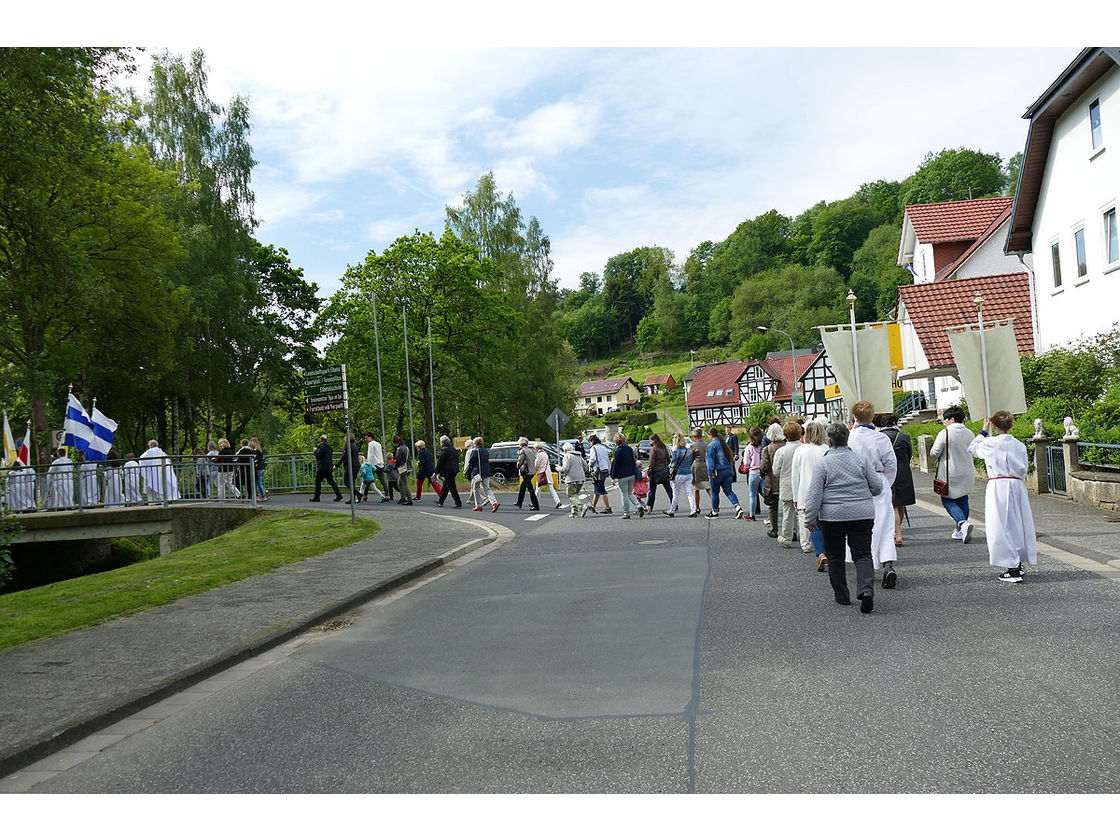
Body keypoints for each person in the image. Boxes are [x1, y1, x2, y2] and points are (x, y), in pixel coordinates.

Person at [804, 422, 884, 613]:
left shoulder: (823, 463)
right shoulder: (861, 460)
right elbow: (877, 487)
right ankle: (866, 591)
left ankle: (842, 596)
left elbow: (814, 495)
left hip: (832, 517)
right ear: (847, 439)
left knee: (835, 556)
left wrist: (809, 520)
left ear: (829, 441)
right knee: (863, 554)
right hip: (862, 514)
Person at [967, 411, 1038, 582]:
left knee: (1001, 525)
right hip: (1017, 484)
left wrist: (984, 430)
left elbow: (972, 447)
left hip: (999, 485)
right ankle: (1017, 562)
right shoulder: (1019, 445)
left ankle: (1012, 567)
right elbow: (1024, 467)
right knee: (1018, 523)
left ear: (994, 425)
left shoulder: (990, 443)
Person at [848, 401, 899, 589]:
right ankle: (888, 565)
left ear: (855, 418)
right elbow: (891, 465)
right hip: (879, 481)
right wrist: (886, 483)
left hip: (856, 484)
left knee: (860, 526)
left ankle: (864, 565)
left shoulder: (850, 437)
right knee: (885, 525)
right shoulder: (882, 438)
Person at [929, 405, 977, 543]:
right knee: (963, 499)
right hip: (967, 471)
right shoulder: (970, 433)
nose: (944, 422)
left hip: (950, 473)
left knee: (948, 500)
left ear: (951, 419)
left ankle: (962, 523)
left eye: (945, 419)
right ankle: (960, 530)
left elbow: (934, 453)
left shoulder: (945, 433)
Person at [791, 420, 829, 571]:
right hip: (826, 492)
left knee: (812, 524)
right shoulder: (827, 449)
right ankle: (829, 552)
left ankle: (820, 553)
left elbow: (795, 476)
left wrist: (795, 497)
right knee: (826, 524)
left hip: (806, 492)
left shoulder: (800, 451)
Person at [877, 414, 915, 547]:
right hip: (903, 470)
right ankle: (897, 530)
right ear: (894, 422)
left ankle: (897, 532)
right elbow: (910, 454)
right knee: (901, 503)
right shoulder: (904, 437)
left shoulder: (879, 437)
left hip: (887, 471)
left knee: (892, 504)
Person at [770, 420, 803, 545]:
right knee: (802, 513)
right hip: (802, 484)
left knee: (787, 513)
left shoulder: (781, 451)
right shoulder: (804, 448)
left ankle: (786, 538)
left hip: (786, 484)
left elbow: (776, 471)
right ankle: (805, 540)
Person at [705, 426, 745, 519]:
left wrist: (710, 473)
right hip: (728, 469)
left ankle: (715, 511)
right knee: (728, 491)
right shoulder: (723, 443)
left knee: (715, 492)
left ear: (710, 435)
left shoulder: (711, 445)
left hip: (718, 471)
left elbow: (710, 460)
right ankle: (738, 507)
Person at [609, 432, 647, 519]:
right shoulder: (629, 449)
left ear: (616, 441)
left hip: (622, 476)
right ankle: (638, 505)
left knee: (624, 495)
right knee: (630, 493)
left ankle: (626, 513)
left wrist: (613, 476)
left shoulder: (618, 451)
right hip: (631, 474)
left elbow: (615, 465)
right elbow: (634, 460)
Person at [759, 428, 786, 536]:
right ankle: (792, 530)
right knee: (788, 507)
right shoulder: (786, 446)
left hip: (772, 481)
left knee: (773, 507)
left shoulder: (767, 449)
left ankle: (774, 529)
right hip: (785, 479)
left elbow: (763, 466)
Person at [664, 431, 696, 517]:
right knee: (689, 492)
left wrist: (669, 466)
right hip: (688, 473)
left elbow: (673, 464)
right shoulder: (688, 451)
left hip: (679, 474)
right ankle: (693, 509)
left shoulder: (676, 451)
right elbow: (690, 462)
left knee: (676, 493)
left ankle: (672, 510)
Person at [466, 436, 499, 513]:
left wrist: (468, 472)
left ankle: (478, 505)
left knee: (476, 488)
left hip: (478, 472)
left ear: (475, 444)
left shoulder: (475, 451)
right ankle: (494, 502)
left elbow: (471, 462)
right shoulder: (486, 451)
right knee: (487, 488)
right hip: (486, 471)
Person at [740, 426, 763, 521]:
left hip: (753, 472)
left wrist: (750, 467)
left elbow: (746, 463)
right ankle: (771, 513)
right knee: (766, 493)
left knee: (752, 495)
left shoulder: (749, 447)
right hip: (762, 473)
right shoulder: (763, 446)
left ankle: (752, 514)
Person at [644, 433, 672, 512]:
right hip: (664, 471)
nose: (650, 442)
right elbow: (668, 459)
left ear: (653, 440)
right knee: (669, 489)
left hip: (655, 472)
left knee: (652, 491)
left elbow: (652, 462)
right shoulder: (664, 448)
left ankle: (649, 506)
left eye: (650, 440)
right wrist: (665, 466)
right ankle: (674, 504)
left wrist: (649, 471)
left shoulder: (654, 449)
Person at [310, 435, 342, 502]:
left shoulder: (322, 447)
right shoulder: (329, 447)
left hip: (322, 467)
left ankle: (317, 497)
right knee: (331, 481)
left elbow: (318, 456)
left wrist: (315, 451)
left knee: (318, 482)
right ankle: (338, 495)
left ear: (321, 440)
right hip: (329, 466)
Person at [560, 441, 588, 518]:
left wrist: (559, 468)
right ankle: (574, 513)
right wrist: (581, 473)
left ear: (565, 450)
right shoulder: (579, 456)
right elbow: (586, 467)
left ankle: (582, 506)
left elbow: (565, 469)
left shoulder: (567, 456)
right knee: (574, 495)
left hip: (571, 479)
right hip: (581, 479)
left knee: (571, 495)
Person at [587, 434, 614, 515]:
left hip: (598, 471)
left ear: (592, 441)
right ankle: (593, 506)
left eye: (590, 442)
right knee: (597, 489)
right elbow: (607, 459)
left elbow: (592, 459)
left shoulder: (593, 448)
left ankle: (608, 508)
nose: (590, 444)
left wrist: (589, 466)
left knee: (601, 489)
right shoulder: (603, 447)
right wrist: (609, 470)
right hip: (605, 469)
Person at [533, 441, 563, 509]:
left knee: (538, 488)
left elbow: (536, 465)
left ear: (537, 448)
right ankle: (557, 501)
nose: (535, 449)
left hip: (542, 472)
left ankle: (535, 502)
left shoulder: (539, 455)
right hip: (547, 472)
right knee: (551, 488)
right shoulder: (545, 453)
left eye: (535, 448)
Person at [435, 435, 462, 508]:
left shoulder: (443, 450)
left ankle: (458, 502)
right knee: (445, 486)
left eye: (440, 442)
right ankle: (441, 501)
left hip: (447, 471)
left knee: (451, 487)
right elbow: (457, 459)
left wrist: (436, 471)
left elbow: (440, 461)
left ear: (442, 443)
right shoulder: (453, 449)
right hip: (454, 469)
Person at [515, 436, 540, 511]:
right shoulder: (530, 450)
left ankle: (536, 505)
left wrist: (517, 465)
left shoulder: (522, 451)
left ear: (521, 443)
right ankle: (519, 502)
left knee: (530, 489)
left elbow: (520, 461)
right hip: (531, 471)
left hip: (526, 472)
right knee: (523, 487)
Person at [336, 433, 362, 504]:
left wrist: (337, 465)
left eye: (345, 437)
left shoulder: (348, 446)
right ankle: (353, 499)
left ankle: (358, 494)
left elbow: (344, 456)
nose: (344, 439)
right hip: (356, 465)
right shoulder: (354, 445)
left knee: (346, 482)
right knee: (351, 482)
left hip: (351, 466)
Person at [364, 432, 390, 500]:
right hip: (380, 463)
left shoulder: (371, 444)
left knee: (367, 478)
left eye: (366, 438)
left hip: (373, 464)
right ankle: (387, 494)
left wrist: (368, 463)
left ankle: (365, 495)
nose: (365, 439)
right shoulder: (378, 443)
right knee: (382, 480)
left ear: (370, 437)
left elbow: (371, 455)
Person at [690, 428, 709, 516]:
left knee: (696, 488)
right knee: (708, 487)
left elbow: (691, 458)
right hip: (706, 466)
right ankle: (715, 505)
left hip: (697, 467)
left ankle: (697, 508)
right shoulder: (706, 444)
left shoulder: (693, 445)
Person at [393, 436, 414, 504]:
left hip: (403, 468)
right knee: (400, 482)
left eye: (394, 443)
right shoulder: (406, 448)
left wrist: (396, 467)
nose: (394, 445)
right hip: (408, 467)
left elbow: (398, 459)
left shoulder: (399, 449)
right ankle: (403, 498)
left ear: (397, 443)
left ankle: (409, 499)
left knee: (404, 484)